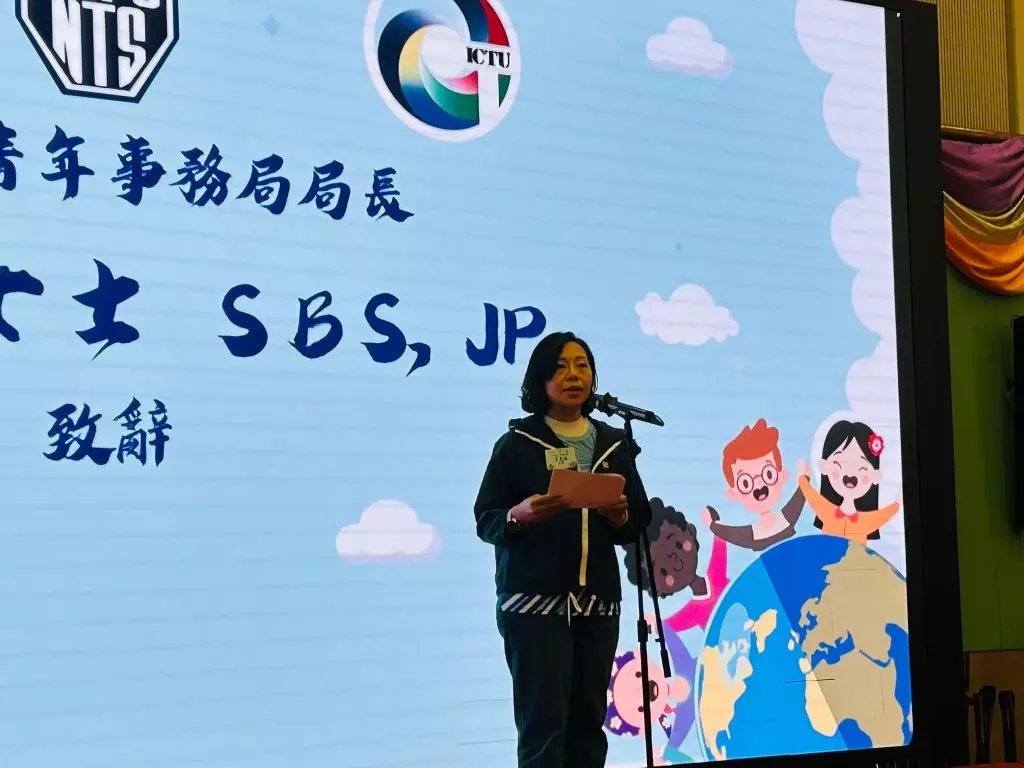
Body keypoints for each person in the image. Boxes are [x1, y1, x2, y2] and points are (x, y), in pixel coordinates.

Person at [474, 331, 652, 768]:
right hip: (534, 606)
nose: (574, 375)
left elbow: (638, 521)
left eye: (582, 365)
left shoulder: (614, 443)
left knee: (588, 727)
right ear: (540, 379)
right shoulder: (518, 443)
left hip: (597, 605)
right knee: (543, 731)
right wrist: (519, 515)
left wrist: (619, 517)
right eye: (560, 367)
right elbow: (486, 518)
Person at [701, 418, 806, 551]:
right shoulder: (754, 534)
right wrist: (712, 525)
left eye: (768, 474)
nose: (759, 485)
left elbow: (798, 499)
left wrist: (804, 480)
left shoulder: (785, 519)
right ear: (732, 493)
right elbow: (731, 534)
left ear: (783, 475)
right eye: (745, 483)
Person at [797, 419, 901, 544]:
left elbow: (883, 516)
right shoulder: (827, 511)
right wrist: (803, 479)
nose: (850, 474)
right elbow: (812, 496)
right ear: (825, 466)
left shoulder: (865, 521)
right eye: (839, 463)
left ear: (874, 476)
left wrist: (898, 503)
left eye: (862, 468)